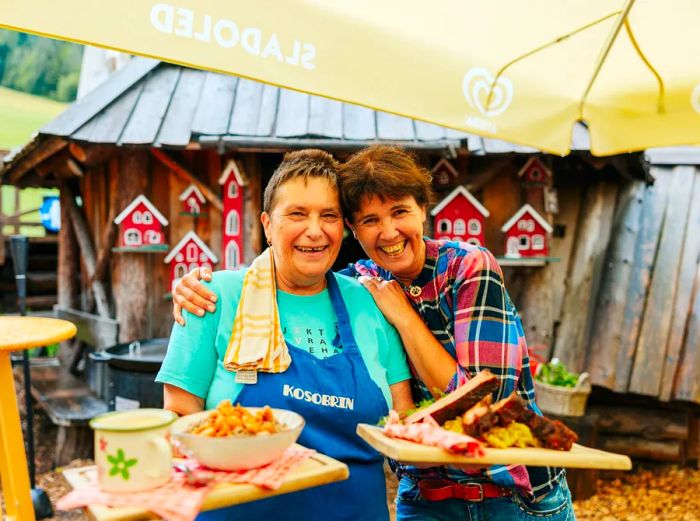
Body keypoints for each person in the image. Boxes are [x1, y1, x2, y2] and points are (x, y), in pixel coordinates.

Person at [173, 146, 576, 521]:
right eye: (369, 220)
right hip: (426, 497)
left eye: (399, 211)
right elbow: (177, 423)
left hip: (509, 496)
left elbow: (486, 404)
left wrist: (404, 316)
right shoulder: (350, 287)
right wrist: (197, 284)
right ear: (355, 229)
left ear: (423, 210)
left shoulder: (456, 271)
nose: (387, 232)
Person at [157, 149, 413, 521]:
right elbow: (178, 416)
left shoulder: (373, 302)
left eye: (329, 215)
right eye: (297, 214)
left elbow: (402, 421)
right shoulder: (213, 298)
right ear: (267, 223)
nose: (314, 230)